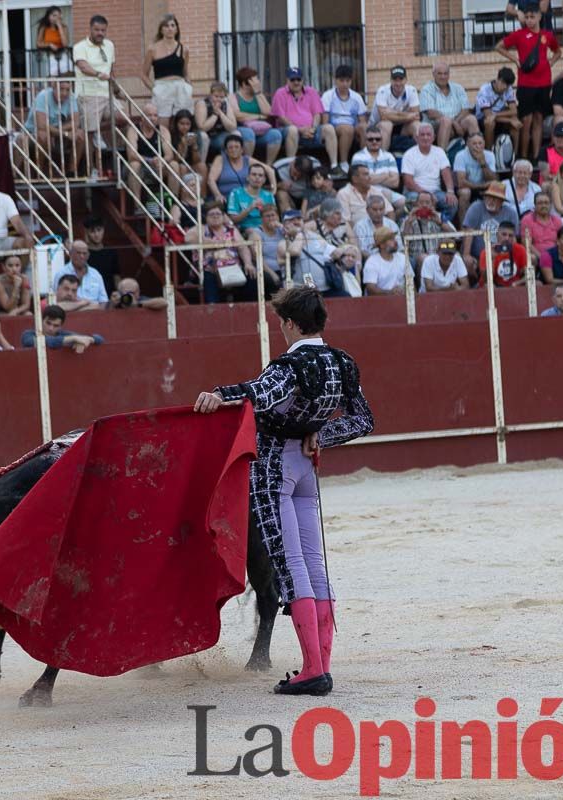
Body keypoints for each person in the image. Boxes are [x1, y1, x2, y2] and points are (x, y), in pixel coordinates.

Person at [195, 285, 372, 696]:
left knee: (291, 563)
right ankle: (321, 664)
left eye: (282, 323)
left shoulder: (291, 366)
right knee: (313, 561)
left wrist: (219, 394)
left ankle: (312, 669)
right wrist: (320, 434)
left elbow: (259, 394)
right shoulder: (342, 362)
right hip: (307, 469)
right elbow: (363, 420)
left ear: (290, 323)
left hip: (275, 467)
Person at [495, 4, 561, 162]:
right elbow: (499, 46)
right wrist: (515, 60)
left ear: (539, 16)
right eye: (527, 17)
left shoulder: (547, 35)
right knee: (526, 120)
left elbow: (558, 51)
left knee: (539, 119)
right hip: (526, 84)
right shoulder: (519, 34)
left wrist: (550, 62)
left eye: (533, 17)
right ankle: (523, 156)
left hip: (544, 83)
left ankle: (537, 156)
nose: (530, 20)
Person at [271, 68, 342, 178]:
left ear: (303, 80)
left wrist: (313, 128)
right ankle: (291, 165)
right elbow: (280, 117)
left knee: (329, 128)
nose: (296, 82)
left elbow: (317, 113)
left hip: (310, 130)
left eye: (298, 79)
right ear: (287, 80)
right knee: (292, 130)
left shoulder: (311, 92)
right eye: (293, 79)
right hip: (289, 130)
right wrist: (300, 129)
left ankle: (334, 166)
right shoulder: (280, 93)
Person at [186, 202, 256, 303]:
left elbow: (243, 248)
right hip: (210, 269)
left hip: (233, 268)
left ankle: (247, 306)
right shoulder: (201, 228)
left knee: (252, 274)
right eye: (211, 214)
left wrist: (248, 263)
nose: (215, 217)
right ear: (206, 217)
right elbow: (188, 238)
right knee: (209, 277)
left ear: (224, 216)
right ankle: (213, 307)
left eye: (218, 214)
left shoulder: (231, 230)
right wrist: (210, 242)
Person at [73, 15, 115, 156]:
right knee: (89, 134)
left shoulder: (109, 45)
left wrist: (116, 89)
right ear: (90, 29)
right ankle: (93, 170)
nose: (100, 33)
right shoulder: (80, 47)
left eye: (103, 30)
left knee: (122, 117)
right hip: (88, 94)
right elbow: (83, 67)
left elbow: (111, 69)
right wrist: (98, 74)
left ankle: (97, 130)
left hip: (106, 94)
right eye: (97, 30)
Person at [27, 76, 86, 175]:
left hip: (56, 132)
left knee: (80, 134)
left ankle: (72, 172)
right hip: (33, 132)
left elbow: (76, 122)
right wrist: (66, 133)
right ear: (53, 87)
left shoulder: (71, 97)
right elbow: (41, 125)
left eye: (67, 90)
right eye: (61, 89)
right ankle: (39, 173)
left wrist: (57, 132)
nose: (64, 93)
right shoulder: (43, 96)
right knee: (43, 135)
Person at [400, 124, 457, 222]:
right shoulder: (409, 154)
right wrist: (427, 195)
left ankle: (441, 225)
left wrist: (450, 191)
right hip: (415, 192)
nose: (425, 137)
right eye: (422, 135)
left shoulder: (439, 152)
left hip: (436, 192)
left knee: (452, 203)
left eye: (428, 135)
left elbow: (446, 173)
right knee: (412, 199)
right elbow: (408, 182)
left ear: (433, 138)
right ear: (416, 138)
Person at [419, 61, 479, 150]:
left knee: (471, 119)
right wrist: (453, 123)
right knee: (446, 121)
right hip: (436, 126)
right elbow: (431, 113)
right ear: (433, 74)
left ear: (449, 74)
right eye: (439, 74)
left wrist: (457, 122)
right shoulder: (427, 89)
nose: (443, 77)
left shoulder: (458, 88)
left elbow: (465, 109)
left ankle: (476, 153)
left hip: (458, 123)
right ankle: (442, 157)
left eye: (445, 73)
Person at [125, 101, 173, 207]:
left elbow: (169, 154)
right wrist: (149, 160)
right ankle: (138, 206)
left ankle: (173, 205)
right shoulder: (133, 130)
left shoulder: (163, 130)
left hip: (157, 165)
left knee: (174, 165)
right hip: (141, 165)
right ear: (142, 117)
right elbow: (132, 154)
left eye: (155, 115)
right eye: (149, 115)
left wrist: (162, 160)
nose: (153, 118)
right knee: (134, 164)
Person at [321, 65, 368, 172]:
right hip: (335, 127)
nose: (345, 84)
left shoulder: (356, 97)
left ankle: (364, 160)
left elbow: (362, 120)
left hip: (352, 126)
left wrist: (362, 129)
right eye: (341, 80)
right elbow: (325, 121)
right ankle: (343, 162)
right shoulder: (328, 96)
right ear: (335, 80)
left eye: (348, 80)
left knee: (365, 128)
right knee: (347, 129)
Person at [463, 182, 520, 267]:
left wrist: (512, 256)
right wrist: (466, 254)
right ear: (484, 197)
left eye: (495, 198)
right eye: (488, 197)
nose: (491, 201)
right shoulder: (476, 207)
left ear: (501, 201)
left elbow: (513, 238)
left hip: (501, 255)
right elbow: (469, 232)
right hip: (477, 256)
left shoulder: (511, 213)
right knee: (469, 263)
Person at [209, 133, 276, 204]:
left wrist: (273, 191)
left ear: (242, 150)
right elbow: (211, 180)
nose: (233, 149)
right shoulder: (220, 159)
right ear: (226, 150)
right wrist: (218, 195)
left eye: (236, 147)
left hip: (246, 199)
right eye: (230, 147)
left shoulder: (247, 160)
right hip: (225, 199)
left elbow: (270, 170)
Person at [401, 192, 454, 275]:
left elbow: (454, 235)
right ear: (416, 204)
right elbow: (403, 241)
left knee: (454, 257)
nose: (424, 205)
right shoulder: (409, 219)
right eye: (421, 202)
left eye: (427, 202)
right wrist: (409, 223)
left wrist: (440, 223)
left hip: (438, 254)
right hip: (417, 256)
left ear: (432, 204)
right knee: (425, 259)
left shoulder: (439, 216)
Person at [337, 162, 402, 228]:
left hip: (380, 231)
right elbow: (346, 221)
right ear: (355, 179)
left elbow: (390, 211)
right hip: (358, 233)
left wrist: (390, 229)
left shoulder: (374, 190)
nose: (370, 178)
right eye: (366, 174)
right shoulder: (343, 194)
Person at [474, 67, 521, 157]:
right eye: (503, 83)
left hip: (497, 116)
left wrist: (496, 115)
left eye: (508, 85)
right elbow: (488, 116)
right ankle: (489, 153)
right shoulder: (484, 90)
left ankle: (515, 154)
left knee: (515, 119)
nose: (505, 87)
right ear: (497, 79)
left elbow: (514, 110)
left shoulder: (509, 89)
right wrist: (509, 120)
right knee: (490, 122)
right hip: (482, 119)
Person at [372, 65, 420, 150]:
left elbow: (416, 116)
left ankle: (421, 157)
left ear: (406, 80)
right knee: (387, 125)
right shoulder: (382, 91)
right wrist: (407, 115)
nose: (398, 83)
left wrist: (393, 113)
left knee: (417, 125)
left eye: (401, 79)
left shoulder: (411, 90)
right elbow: (383, 117)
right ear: (390, 80)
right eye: (395, 80)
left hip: (402, 126)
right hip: (378, 126)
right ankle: (384, 158)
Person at [52, 240, 109, 308]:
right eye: (78, 253)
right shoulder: (61, 273)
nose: (82, 256)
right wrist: (85, 304)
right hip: (70, 314)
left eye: (84, 253)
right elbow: (56, 301)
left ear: (88, 255)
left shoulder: (96, 274)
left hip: (94, 315)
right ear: (70, 254)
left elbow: (103, 301)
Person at [454, 133, 499, 220]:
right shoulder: (461, 155)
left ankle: (490, 223)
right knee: (465, 192)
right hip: (467, 187)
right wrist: (481, 186)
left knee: (496, 189)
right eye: (474, 144)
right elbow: (461, 182)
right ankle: (464, 228)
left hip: (483, 187)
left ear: (484, 144)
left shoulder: (489, 155)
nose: (477, 146)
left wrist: (483, 163)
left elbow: (493, 180)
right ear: (468, 144)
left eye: (480, 143)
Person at [21, 304, 103, 351]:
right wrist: (72, 339)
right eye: (48, 323)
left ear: (61, 326)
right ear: (41, 321)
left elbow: (99, 338)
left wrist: (89, 339)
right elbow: (44, 342)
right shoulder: (28, 335)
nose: (51, 328)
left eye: (55, 325)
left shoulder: (63, 334)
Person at [169, 109, 208, 204]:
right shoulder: (172, 135)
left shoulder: (195, 135)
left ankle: (202, 198)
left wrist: (194, 146)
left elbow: (196, 161)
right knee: (182, 167)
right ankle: (183, 199)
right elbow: (177, 160)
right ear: (176, 123)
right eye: (182, 124)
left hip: (191, 165)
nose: (185, 127)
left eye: (187, 124)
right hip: (178, 166)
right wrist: (183, 145)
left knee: (202, 166)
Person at [229, 163, 277, 233]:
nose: (257, 177)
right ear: (248, 177)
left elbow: (274, 218)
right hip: (244, 230)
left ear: (264, 180)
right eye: (254, 174)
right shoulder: (235, 193)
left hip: (266, 228)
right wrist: (250, 207)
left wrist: (264, 210)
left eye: (260, 175)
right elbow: (233, 219)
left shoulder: (269, 195)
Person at [479, 221, 528, 287]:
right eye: (504, 234)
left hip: (515, 286)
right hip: (495, 287)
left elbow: (528, 275)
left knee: (536, 283)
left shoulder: (520, 249)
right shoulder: (487, 251)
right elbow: (485, 279)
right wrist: (491, 259)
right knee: (488, 286)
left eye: (510, 236)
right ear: (497, 234)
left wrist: (517, 283)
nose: (507, 238)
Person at [363, 227, 410, 295]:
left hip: (402, 299)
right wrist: (390, 293)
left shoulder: (403, 258)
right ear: (382, 245)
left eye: (394, 238)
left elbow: (411, 282)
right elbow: (371, 289)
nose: (395, 241)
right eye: (391, 239)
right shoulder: (371, 262)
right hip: (380, 302)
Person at [353, 196, 401, 261]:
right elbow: (363, 251)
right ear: (367, 210)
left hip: (394, 259)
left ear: (384, 209)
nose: (378, 213)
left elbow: (400, 247)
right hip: (371, 261)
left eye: (381, 209)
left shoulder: (392, 224)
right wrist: (379, 262)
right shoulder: (360, 226)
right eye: (374, 210)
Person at [520, 191, 563, 259]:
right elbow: (527, 244)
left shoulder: (556, 220)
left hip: (555, 256)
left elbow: (562, 241)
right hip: (536, 256)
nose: (544, 206)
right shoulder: (527, 220)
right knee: (532, 258)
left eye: (546, 203)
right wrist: (542, 257)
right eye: (540, 203)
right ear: (535, 205)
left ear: (550, 205)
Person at [83, 216, 121, 288]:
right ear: (87, 232)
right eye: (92, 231)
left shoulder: (111, 252)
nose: (96, 234)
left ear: (103, 230)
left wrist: (119, 293)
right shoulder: (83, 253)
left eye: (99, 230)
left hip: (110, 294)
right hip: (90, 295)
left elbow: (116, 276)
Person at [36, 5, 72, 77]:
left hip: (63, 55)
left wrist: (59, 26)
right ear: (49, 16)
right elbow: (38, 43)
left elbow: (65, 44)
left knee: (67, 78)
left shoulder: (64, 27)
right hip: (51, 56)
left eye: (58, 16)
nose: (56, 18)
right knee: (53, 80)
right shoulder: (44, 27)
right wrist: (49, 44)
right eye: (54, 15)